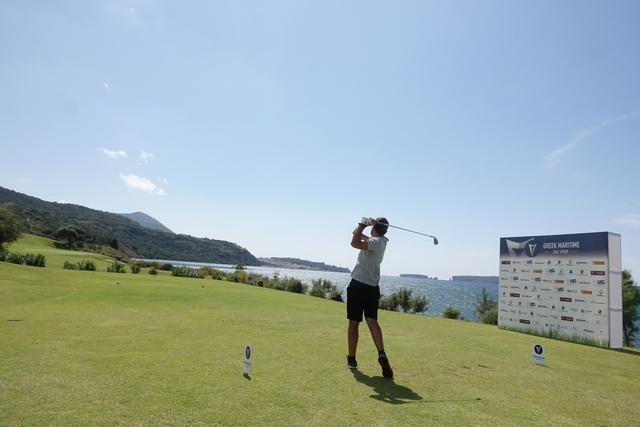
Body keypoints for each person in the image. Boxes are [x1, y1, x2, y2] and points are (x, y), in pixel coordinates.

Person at [346, 216, 393, 379]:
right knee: (372, 321)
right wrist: (366, 226)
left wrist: (363, 224)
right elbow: (356, 234)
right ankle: (381, 353)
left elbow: (354, 242)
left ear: (375, 228)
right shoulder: (381, 242)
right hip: (372, 288)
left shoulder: (375, 242)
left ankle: (352, 358)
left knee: (354, 323)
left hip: (358, 285)